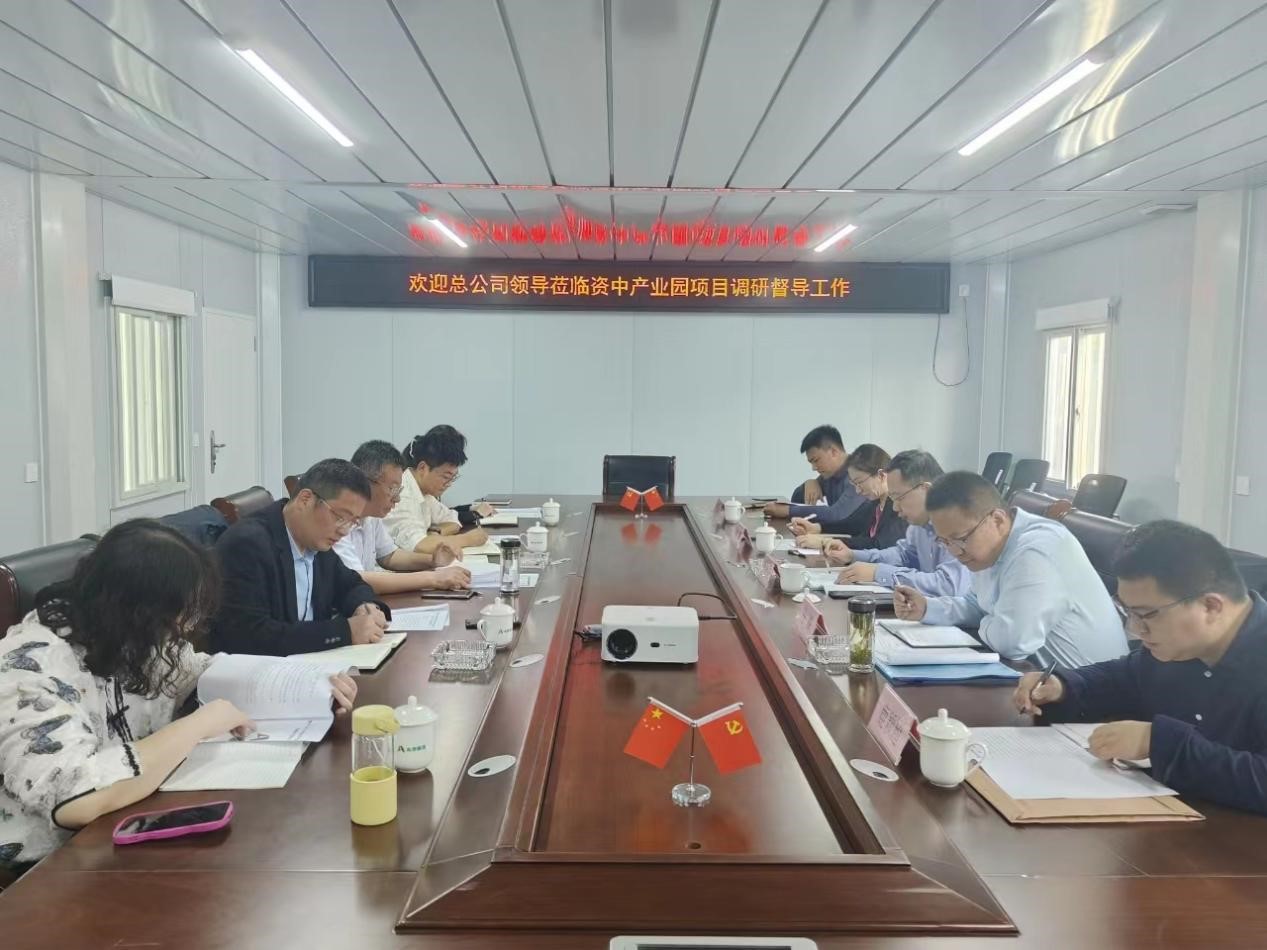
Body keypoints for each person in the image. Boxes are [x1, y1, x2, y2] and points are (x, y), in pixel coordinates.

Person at [0, 519, 358, 872]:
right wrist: (198, 725)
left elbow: (199, 670)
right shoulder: (28, 667)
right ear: (135, 608)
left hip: (130, 826)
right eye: (176, 617)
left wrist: (306, 685)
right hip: (48, 868)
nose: (184, 629)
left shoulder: (128, 635)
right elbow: (75, 799)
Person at [1014, 520, 1267, 815]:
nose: (1135, 629)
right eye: (1129, 612)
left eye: (1147, 615)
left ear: (1211, 606)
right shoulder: (1181, 646)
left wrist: (1157, 743)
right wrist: (1063, 686)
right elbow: (1123, 678)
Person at [893, 471, 1125, 667]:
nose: (955, 552)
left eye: (960, 539)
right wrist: (927, 607)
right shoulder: (987, 549)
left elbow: (1012, 643)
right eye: (944, 542)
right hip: (1036, 679)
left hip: (1088, 695)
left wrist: (990, 618)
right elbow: (977, 604)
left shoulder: (1037, 550)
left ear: (997, 520)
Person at [211, 459, 390, 656]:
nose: (344, 531)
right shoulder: (247, 545)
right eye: (340, 517)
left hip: (314, 662)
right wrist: (345, 632)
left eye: (352, 522)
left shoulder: (316, 540)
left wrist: (364, 606)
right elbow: (250, 636)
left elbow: (351, 584)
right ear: (305, 499)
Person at [823, 449, 971, 596]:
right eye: (892, 499)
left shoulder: (959, 522)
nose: (895, 507)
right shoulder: (920, 524)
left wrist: (878, 573)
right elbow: (903, 555)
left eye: (899, 498)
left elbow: (948, 586)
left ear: (926, 490)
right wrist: (852, 555)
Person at [337, 440, 472, 595]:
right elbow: (357, 580)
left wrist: (433, 561)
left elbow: (389, 556)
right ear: (365, 483)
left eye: (399, 490)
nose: (397, 499)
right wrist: (434, 578)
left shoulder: (371, 516)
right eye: (393, 489)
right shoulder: (338, 520)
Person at [384, 427, 490, 557]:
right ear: (423, 468)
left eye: (453, 478)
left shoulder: (425, 492)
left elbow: (452, 519)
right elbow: (420, 546)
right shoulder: (402, 495)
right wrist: (467, 539)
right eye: (446, 477)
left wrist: (436, 533)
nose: (449, 484)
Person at [789, 443, 906, 550]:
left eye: (859, 482)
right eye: (854, 484)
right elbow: (852, 524)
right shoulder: (877, 501)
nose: (858, 491)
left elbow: (878, 545)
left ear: (881, 475)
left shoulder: (899, 506)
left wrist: (825, 542)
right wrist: (816, 528)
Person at [763, 425, 864, 526]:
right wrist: (810, 483)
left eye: (816, 460)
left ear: (833, 452)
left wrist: (788, 511)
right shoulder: (830, 473)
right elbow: (797, 497)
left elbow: (836, 513)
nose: (814, 468)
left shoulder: (860, 474)